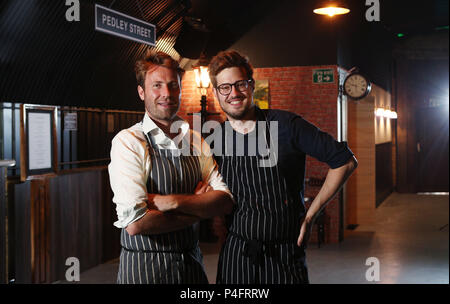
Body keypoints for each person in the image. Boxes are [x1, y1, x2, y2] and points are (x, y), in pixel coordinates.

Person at [208, 50, 358, 284]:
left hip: (285, 255)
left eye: (240, 84)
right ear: (216, 92)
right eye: (225, 87)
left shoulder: (287, 125)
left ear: (252, 84)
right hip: (237, 255)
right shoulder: (215, 141)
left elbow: (345, 161)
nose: (234, 93)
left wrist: (310, 217)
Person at [108, 50, 234, 284]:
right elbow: (136, 224)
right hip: (144, 270)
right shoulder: (128, 142)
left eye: (173, 85)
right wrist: (198, 207)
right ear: (141, 92)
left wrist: (171, 203)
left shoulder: (196, 141)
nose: (166, 93)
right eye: (157, 85)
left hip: (192, 268)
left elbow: (225, 200)